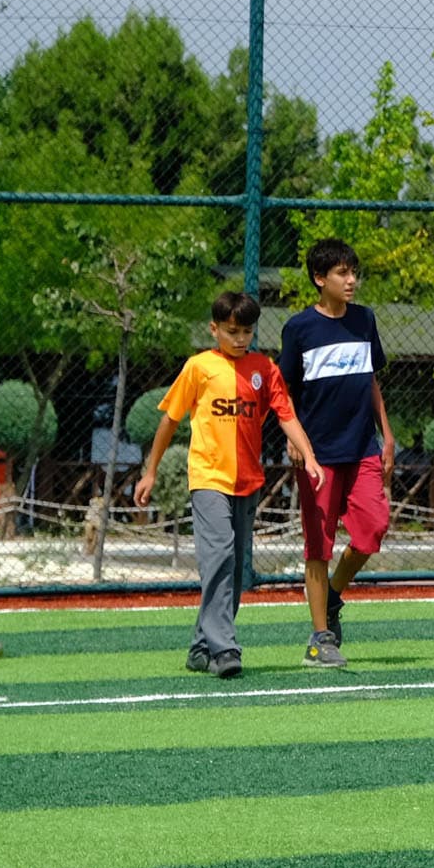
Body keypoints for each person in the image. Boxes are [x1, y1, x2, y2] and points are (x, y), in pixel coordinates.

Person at [132, 291, 322, 679]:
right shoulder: (198, 367)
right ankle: (225, 649)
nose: (240, 339)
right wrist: (149, 471)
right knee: (218, 555)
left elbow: (286, 416)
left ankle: (201, 646)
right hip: (207, 478)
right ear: (214, 328)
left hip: (247, 480)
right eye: (232, 331)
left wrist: (310, 455)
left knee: (234, 570)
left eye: (247, 331)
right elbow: (169, 420)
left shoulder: (264, 369)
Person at [280, 239, 395, 669]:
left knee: (372, 530)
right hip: (318, 456)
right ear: (319, 278)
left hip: (363, 446)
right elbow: (284, 389)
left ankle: (331, 596)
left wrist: (387, 434)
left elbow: (371, 381)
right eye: (342, 274)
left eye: (353, 273)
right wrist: (295, 440)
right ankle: (319, 639)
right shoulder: (299, 328)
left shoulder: (365, 320)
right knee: (319, 545)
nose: (351, 281)